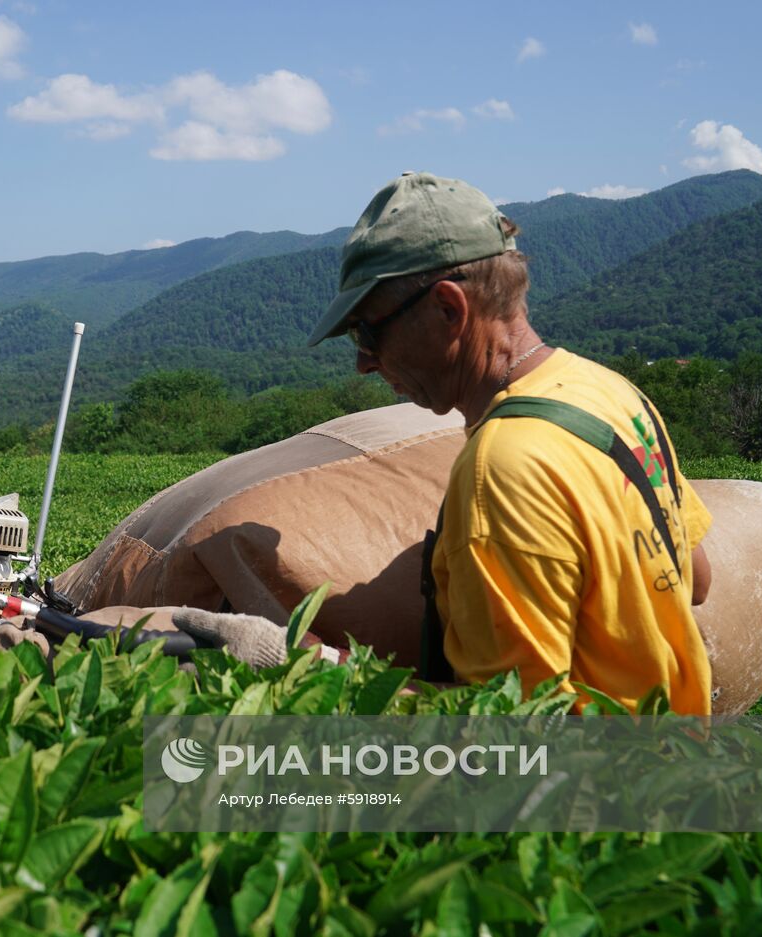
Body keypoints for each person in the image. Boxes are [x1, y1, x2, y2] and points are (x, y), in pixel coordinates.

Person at [172, 171, 714, 714]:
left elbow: (511, 725)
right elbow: (696, 579)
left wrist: (304, 666)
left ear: (449, 309)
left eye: (369, 331)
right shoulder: (607, 390)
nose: (363, 363)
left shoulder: (504, 469)